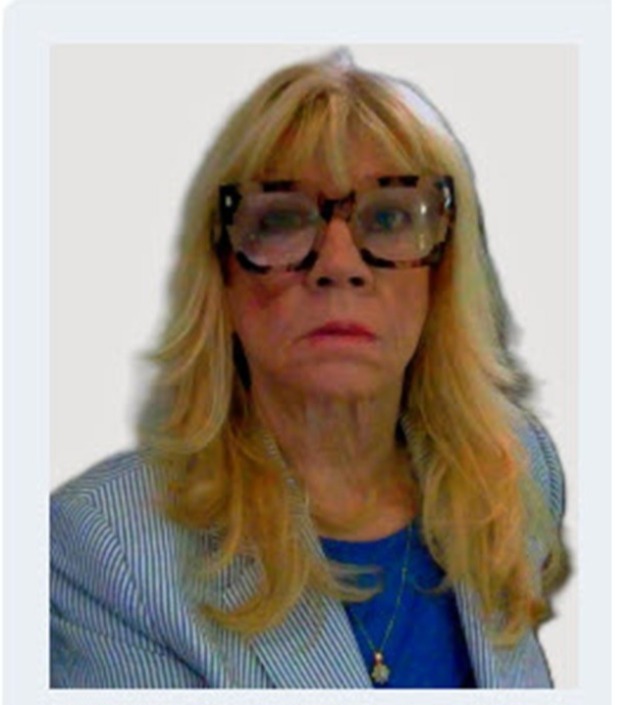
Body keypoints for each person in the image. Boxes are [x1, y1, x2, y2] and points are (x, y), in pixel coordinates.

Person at [50, 49, 569, 689]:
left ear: (442, 278)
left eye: (388, 217)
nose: (339, 265)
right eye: (283, 220)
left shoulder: (513, 468)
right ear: (221, 279)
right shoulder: (103, 548)